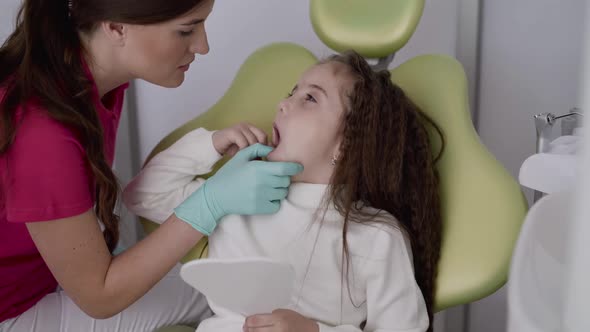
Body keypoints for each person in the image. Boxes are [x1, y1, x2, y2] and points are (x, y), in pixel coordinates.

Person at [0, 1, 303, 331]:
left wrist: (210, 149)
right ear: (116, 28)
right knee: (231, 297)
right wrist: (210, 202)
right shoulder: (44, 135)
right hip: (14, 307)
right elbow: (100, 296)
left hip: (47, 275)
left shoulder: (84, 73)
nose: (203, 46)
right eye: (186, 30)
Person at [124, 51, 445, 332]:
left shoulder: (376, 236)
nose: (282, 104)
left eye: (310, 98)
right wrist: (211, 144)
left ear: (348, 145)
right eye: (293, 92)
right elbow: (141, 195)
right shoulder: (237, 195)